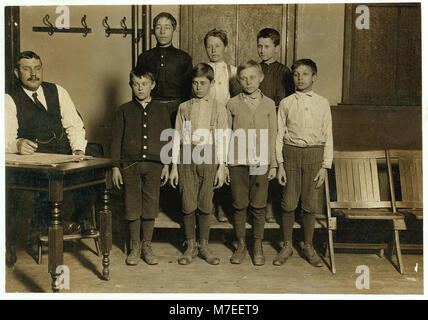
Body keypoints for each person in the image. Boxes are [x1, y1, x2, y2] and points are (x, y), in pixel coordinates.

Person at [5, 51, 96, 241]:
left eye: (37, 68)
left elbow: (74, 124)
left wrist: (78, 150)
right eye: (26, 69)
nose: (33, 73)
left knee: (89, 176)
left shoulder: (58, 91)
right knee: (44, 188)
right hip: (35, 161)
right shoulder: (8, 99)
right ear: (16, 72)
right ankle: (58, 224)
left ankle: (75, 221)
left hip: (64, 155)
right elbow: (5, 137)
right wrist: (17, 144)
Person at [275, 58, 333, 267]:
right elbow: (279, 134)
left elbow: (328, 135)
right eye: (296, 74)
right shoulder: (286, 103)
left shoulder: (322, 103)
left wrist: (325, 166)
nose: (300, 78)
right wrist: (280, 164)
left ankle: (307, 245)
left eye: (305, 74)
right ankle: (287, 245)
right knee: (289, 202)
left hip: (314, 156)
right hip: (290, 154)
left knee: (309, 205)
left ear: (314, 77)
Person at [110, 69, 171, 266]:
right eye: (136, 84)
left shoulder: (162, 110)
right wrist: (116, 167)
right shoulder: (123, 110)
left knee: (150, 205)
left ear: (152, 85)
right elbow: (116, 140)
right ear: (131, 85)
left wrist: (166, 165)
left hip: (154, 166)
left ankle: (147, 245)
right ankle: (134, 245)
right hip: (130, 166)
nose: (140, 88)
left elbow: (168, 139)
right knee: (132, 204)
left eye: (144, 84)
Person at [169, 63, 228, 265]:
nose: (198, 87)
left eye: (203, 83)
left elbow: (222, 138)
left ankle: (204, 245)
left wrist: (222, 166)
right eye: (195, 83)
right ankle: (191, 245)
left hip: (210, 156)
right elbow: (177, 136)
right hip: (187, 156)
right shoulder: (184, 107)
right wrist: (174, 167)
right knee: (188, 202)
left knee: (205, 203)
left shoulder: (219, 108)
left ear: (211, 83)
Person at [226, 60, 277, 266]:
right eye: (244, 78)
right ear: (238, 80)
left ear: (261, 78)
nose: (248, 82)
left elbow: (273, 136)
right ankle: (240, 244)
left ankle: (257, 244)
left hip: (261, 162)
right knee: (239, 205)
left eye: (252, 77)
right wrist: (226, 164)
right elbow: (226, 136)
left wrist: (273, 164)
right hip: (237, 161)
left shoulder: (269, 104)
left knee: (258, 204)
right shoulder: (232, 104)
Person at [203, 28, 242, 223]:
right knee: (208, 162)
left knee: (224, 163)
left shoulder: (233, 71)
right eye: (209, 46)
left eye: (217, 46)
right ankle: (207, 203)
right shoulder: (201, 70)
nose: (213, 50)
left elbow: (237, 100)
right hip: (206, 122)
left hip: (226, 122)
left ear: (225, 47)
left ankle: (222, 207)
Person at [257, 28, 294, 223]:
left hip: (277, 121)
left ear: (276, 48)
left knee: (273, 162)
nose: (262, 50)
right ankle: (257, 207)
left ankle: (270, 207)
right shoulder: (254, 69)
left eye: (267, 46)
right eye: (259, 46)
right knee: (257, 165)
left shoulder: (285, 72)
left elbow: (286, 102)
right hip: (257, 123)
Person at [135, 12, 193, 127]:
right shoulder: (145, 57)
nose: (162, 32)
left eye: (167, 27)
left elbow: (188, 91)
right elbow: (137, 85)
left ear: (173, 29)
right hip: (151, 107)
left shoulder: (184, 58)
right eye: (158, 27)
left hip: (177, 109)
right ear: (153, 30)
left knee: (176, 143)